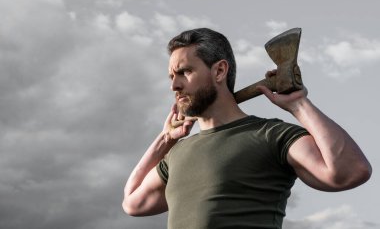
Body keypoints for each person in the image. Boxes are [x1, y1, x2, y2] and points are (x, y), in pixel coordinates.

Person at [122, 28, 372, 229]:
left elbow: (350, 171)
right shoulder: (178, 152)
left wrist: (299, 105)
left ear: (219, 70)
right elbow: (132, 202)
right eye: (171, 76)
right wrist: (165, 139)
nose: (174, 85)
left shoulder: (271, 136)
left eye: (184, 72)